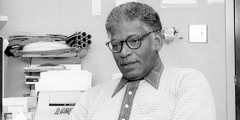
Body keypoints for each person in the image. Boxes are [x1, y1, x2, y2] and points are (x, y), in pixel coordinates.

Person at [69, 2, 216, 120]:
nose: (123, 52)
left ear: (157, 41)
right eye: (115, 45)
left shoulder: (186, 83)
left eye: (134, 41)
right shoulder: (91, 98)